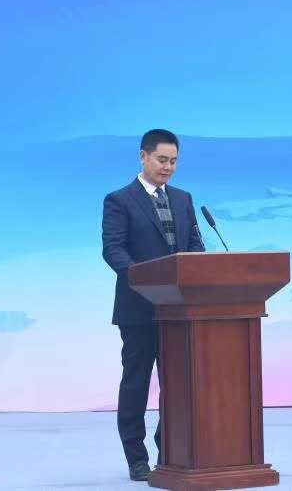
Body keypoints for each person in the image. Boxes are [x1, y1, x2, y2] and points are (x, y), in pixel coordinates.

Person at [101, 129, 205, 480]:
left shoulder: (183, 198)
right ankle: (136, 457)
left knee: (177, 383)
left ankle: (169, 448)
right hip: (138, 309)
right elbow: (113, 249)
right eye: (162, 159)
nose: (168, 167)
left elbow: (194, 245)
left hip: (179, 310)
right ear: (143, 156)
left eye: (173, 161)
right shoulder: (119, 200)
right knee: (137, 382)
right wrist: (146, 281)